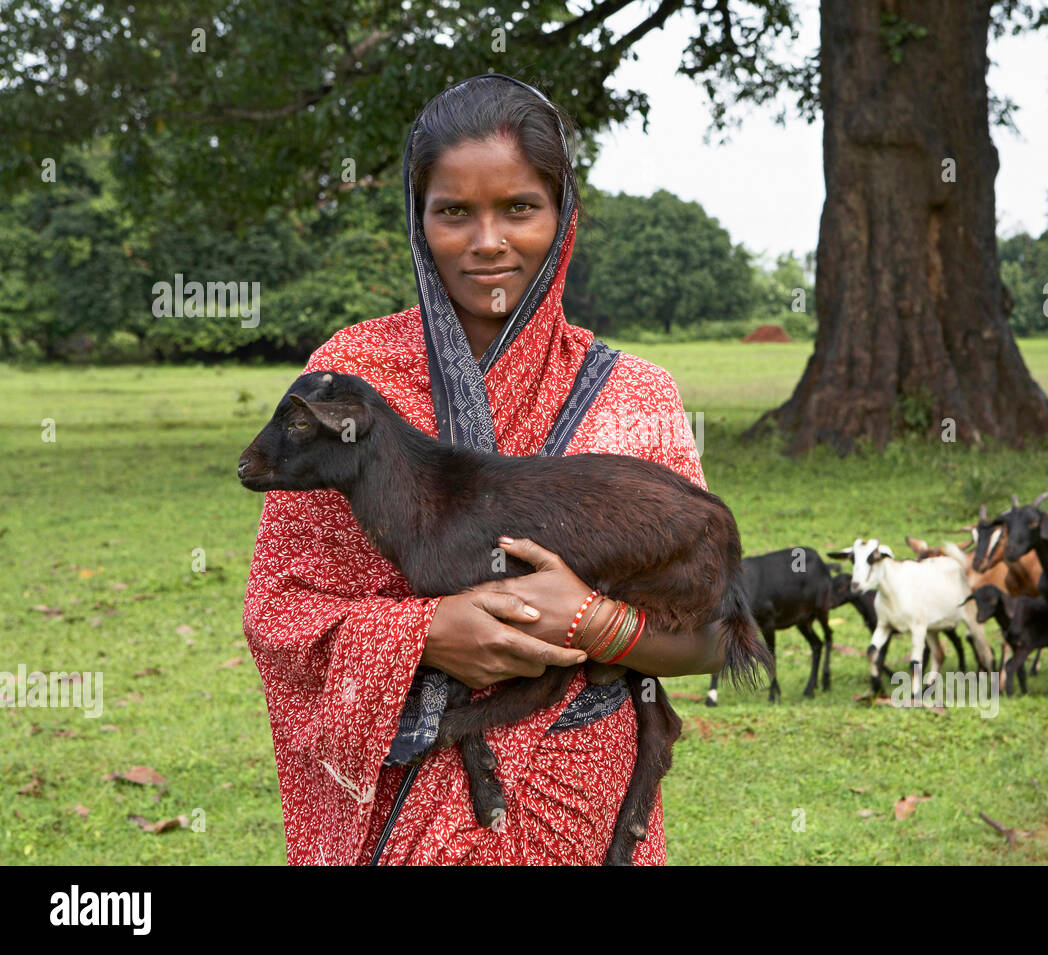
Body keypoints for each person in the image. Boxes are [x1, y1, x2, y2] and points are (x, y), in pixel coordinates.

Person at [242, 74, 724, 865]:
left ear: (562, 215)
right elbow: (282, 616)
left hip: (583, 809)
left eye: (519, 208)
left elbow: (708, 633)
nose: (487, 241)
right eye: (454, 211)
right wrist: (426, 631)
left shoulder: (635, 395)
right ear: (417, 215)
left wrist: (591, 621)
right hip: (404, 812)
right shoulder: (353, 377)